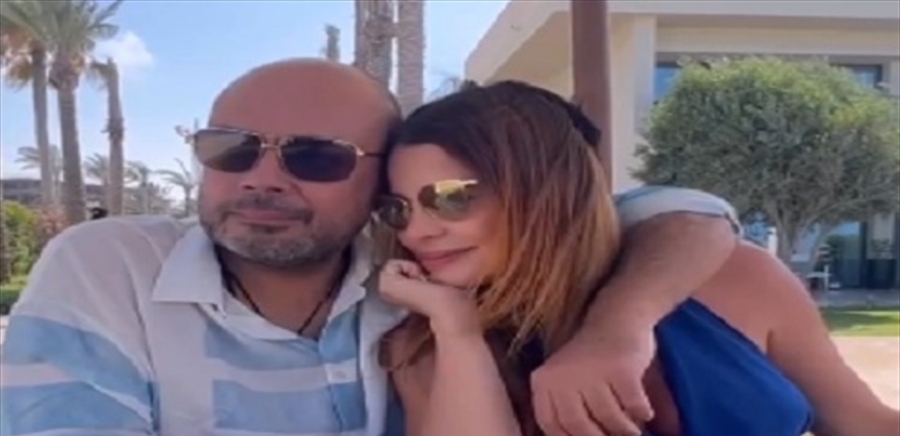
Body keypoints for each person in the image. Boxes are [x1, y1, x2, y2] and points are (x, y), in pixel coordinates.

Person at [0, 59, 740, 436]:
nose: (261, 178)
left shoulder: (423, 284)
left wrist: (618, 325)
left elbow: (677, 214)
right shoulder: (113, 265)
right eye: (230, 148)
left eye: (315, 156)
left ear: (383, 181)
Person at [376, 80, 900, 436]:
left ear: (543, 192)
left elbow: (863, 424)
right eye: (397, 209)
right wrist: (458, 330)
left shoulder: (738, 277)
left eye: (450, 198)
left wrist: (616, 330)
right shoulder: (425, 348)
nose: (417, 231)